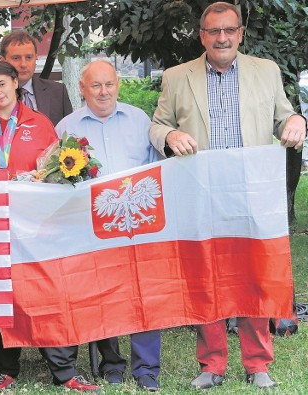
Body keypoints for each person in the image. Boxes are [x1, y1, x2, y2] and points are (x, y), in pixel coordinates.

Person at [149, 2, 307, 390]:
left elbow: (283, 116)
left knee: (255, 276)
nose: (222, 37)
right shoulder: (176, 76)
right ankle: (212, 365)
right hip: (200, 194)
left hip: (251, 193)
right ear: (202, 35)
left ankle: (257, 364)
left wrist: (296, 121)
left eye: (229, 30)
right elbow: (158, 125)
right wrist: (169, 136)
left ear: (240, 33)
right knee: (207, 278)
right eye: (213, 30)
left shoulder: (266, 72)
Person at [0, 61, 102, 394]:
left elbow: (58, 173)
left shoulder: (40, 125)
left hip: (39, 227)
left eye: (3, 85)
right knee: (2, 297)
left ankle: (64, 369)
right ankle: (3, 368)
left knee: (48, 294)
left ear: (15, 84)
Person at [55, 59, 162, 392]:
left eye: (109, 84)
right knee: (102, 296)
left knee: (143, 296)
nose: (103, 92)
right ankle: (112, 364)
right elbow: (59, 181)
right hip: (93, 228)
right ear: (82, 89)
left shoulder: (140, 120)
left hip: (138, 224)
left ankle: (147, 368)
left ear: (118, 84)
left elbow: (155, 169)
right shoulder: (65, 128)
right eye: (95, 86)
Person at [0, 30, 72, 126]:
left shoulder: (57, 92)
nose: (23, 64)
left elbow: (70, 134)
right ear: (3, 61)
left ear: (36, 58)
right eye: (16, 58)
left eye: (29, 57)